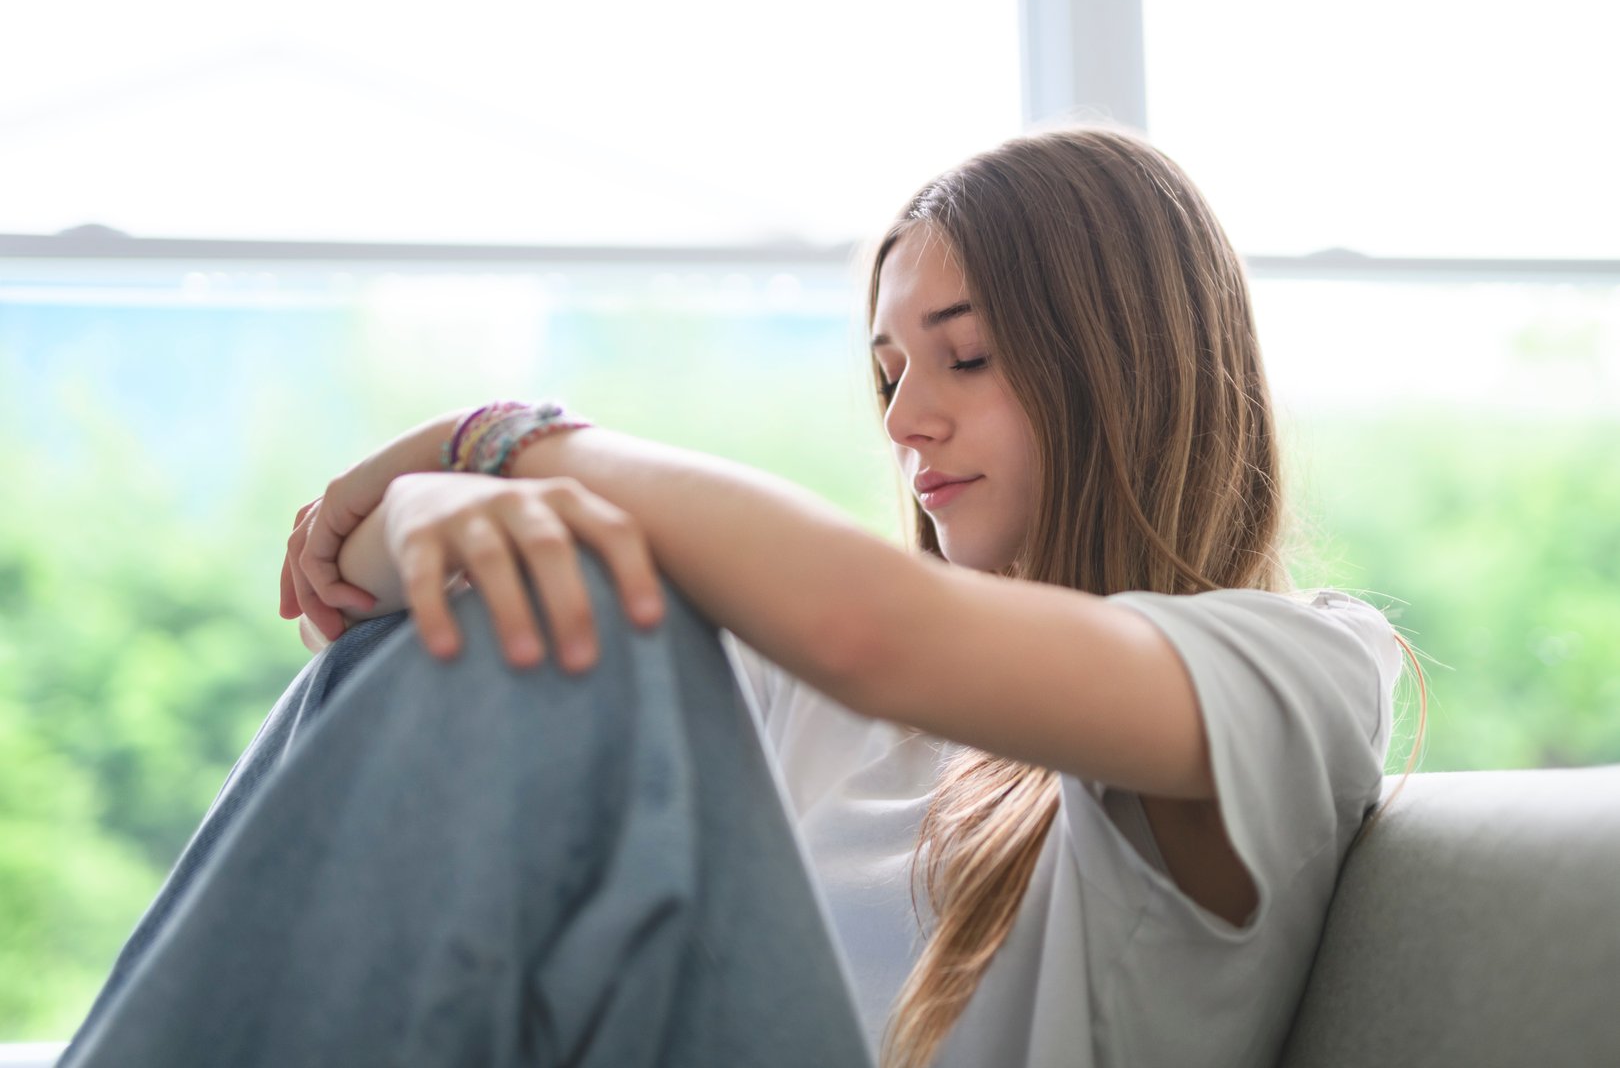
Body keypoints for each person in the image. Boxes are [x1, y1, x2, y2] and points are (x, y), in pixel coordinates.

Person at [59, 121, 1426, 1068]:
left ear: (1131, 364)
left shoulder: (1301, 672)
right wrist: (436, 493)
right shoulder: (847, 716)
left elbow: (868, 628)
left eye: (966, 358)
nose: (907, 424)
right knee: (551, 601)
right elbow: (387, 590)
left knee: (581, 600)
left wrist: (493, 438)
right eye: (889, 373)